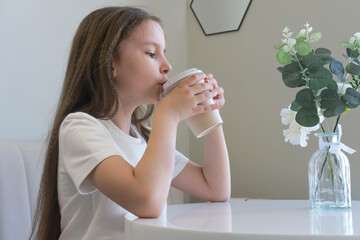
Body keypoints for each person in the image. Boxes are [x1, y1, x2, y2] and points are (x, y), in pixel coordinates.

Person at [30, 6, 230, 240]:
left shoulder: (141, 139)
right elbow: (146, 202)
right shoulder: (79, 128)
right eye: (151, 53)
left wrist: (210, 112)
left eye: (164, 52)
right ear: (111, 62)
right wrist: (168, 114)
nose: (167, 66)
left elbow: (215, 188)